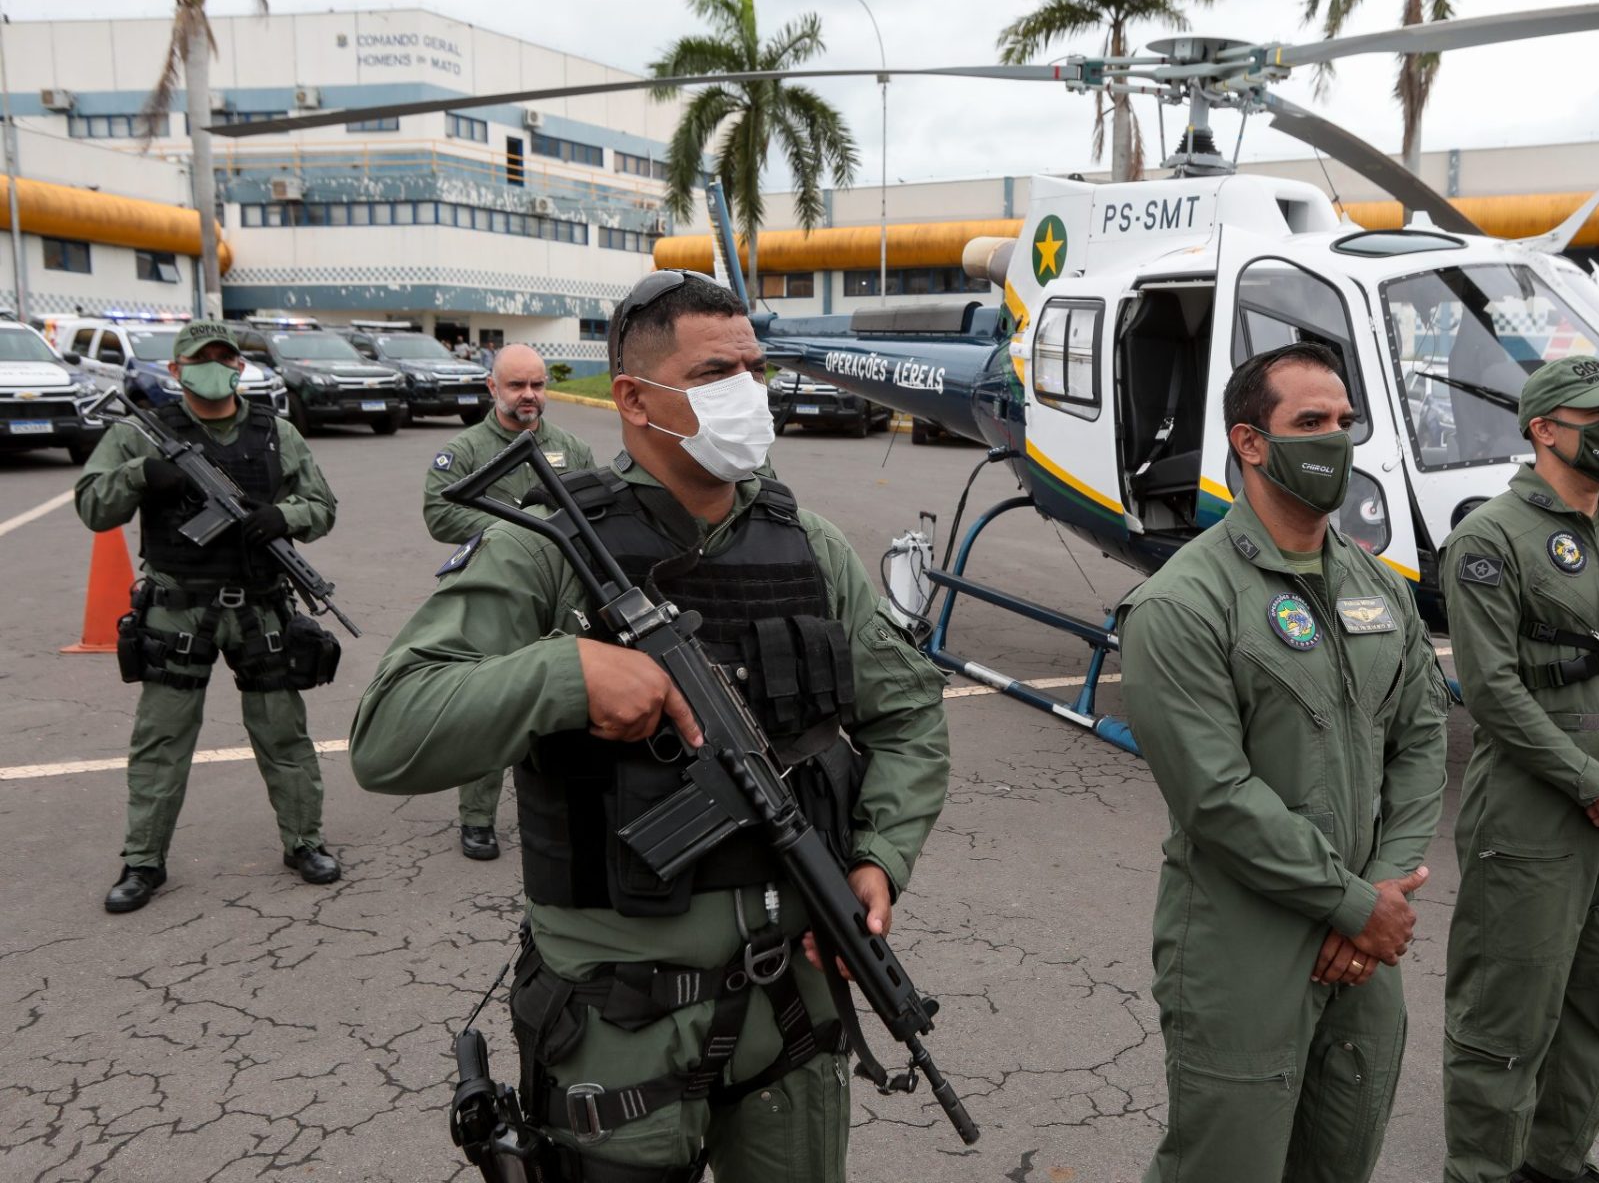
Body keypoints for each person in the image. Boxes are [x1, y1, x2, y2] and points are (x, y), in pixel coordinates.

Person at [351, 270, 951, 1182]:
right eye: (717, 376)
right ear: (633, 398)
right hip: (617, 1028)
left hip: (794, 1008)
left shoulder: (813, 548)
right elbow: (389, 731)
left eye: (757, 371)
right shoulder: (545, 544)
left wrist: (876, 857)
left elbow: (908, 720)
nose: (750, 395)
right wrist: (565, 672)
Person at [1117, 343, 1450, 1182]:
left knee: (1341, 1158)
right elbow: (1216, 798)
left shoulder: (1380, 588)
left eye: (1344, 422)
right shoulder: (1181, 604)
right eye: (1311, 423)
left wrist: (1380, 891)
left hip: (1366, 938)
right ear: (1250, 442)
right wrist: (1352, 905)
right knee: (1225, 1167)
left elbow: (1420, 741)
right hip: (1244, 946)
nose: (1335, 439)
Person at [1440, 356, 1599, 1183]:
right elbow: (1492, 692)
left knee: (1587, 1009)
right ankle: (1483, 1169)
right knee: (1506, 1015)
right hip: (1531, 818)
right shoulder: (1490, 540)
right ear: (1544, 428)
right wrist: (1597, 785)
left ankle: (1556, 1160)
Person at [76, 320, 343, 913]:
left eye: (225, 357)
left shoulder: (276, 432)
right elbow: (92, 505)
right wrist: (140, 475)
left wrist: (285, 517)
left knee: (283, 733)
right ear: (176, 371)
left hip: (260, 606)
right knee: (161, 739)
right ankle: (143, 861)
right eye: (201, 359)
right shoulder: (142, 434)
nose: (214, 367)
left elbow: (322, 506)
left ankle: (304, 843)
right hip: (177, 609)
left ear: (239, 368)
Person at [421, 342, 596, 861]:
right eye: (517, 385)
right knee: (489, 706)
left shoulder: (572, 448)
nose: (529, 395)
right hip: (494, 593)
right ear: (492, 387)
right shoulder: (467, 450)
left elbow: (593, 515)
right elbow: (440, 514)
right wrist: (524, 527)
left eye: (537, 385)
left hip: (562, 595)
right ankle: (477, 820)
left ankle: (569, 810)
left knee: (568, 700)